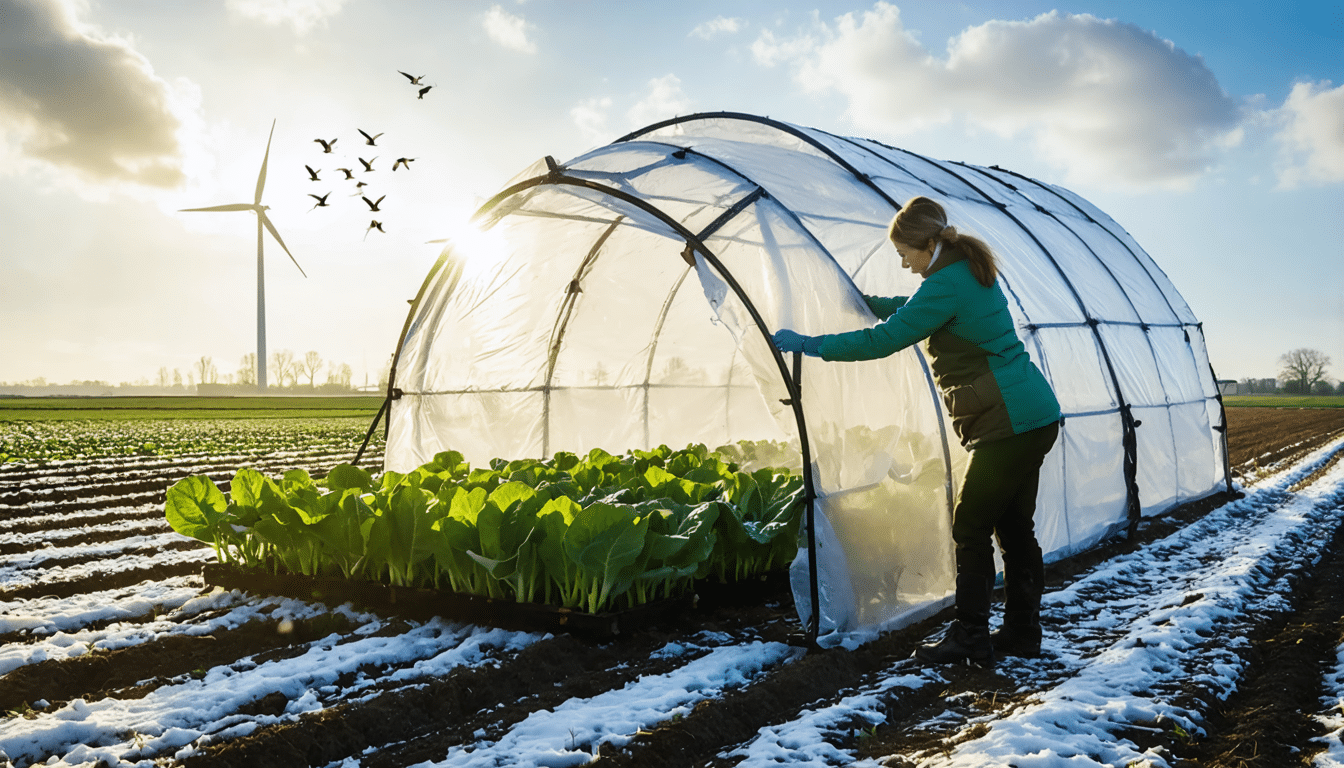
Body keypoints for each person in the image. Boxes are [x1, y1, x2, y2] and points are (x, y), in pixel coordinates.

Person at [772, 195, 1061, 665]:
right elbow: (916, 308)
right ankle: (1022, 633)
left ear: (927, 244)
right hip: (1031, 415)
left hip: (1008, 422)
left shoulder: (945, 283)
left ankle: (970, 635)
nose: (905, 265)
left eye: (906, 255)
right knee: (1014, 530)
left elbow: (885, 339)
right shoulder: (964, 271)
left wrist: (812, 345)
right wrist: (869, 302)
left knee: (970, 526)